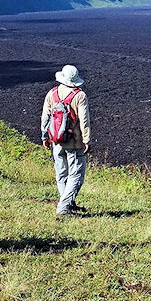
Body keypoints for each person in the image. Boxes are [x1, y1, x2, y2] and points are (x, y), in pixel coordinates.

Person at [41, 65, 92, 216]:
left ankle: (68, 203)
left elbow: (45, 116)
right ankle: (64, 208)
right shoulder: (79, 96)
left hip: (56, 140)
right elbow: (84, 121)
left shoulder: (52, 93)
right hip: (74, 142)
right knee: (76, 175)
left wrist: (45, 136)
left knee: (62, 174)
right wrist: (87, 140)